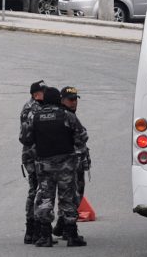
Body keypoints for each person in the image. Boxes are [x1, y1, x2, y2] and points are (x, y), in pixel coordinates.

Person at [31, 87, 89, 247]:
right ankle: (71, 235)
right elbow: (82, 136)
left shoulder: (36, 116)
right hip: (65, 164)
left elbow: (27, 138)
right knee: (67, 197)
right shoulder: (67, 116)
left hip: (44, 165)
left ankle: (45, 236)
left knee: (45, 198)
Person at [56, 86, 90, 239]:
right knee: (74, 194)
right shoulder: (68, 116)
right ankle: (65, 225)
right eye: (70, 100)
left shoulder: (65, 114)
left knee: (69, 194)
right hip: (73, 161)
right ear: (62, 100)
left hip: (71, 161)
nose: (74, 102)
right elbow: (82, 136)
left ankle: (63, 224)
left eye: (75, 99)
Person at [19, 80, 46, 244]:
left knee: (38, 189)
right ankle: (32, 228)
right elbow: (26, 137)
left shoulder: (36, 106)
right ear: (36, 94)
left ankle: (34, 229)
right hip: (33, 155)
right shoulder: (32, 108)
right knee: (36, 190)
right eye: (43, 92)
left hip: (36, 154)